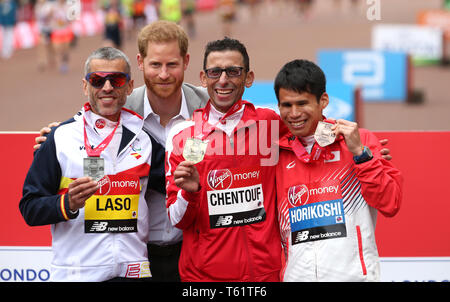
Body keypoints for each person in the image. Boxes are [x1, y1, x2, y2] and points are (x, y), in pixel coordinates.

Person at [33, 21, 209, 282]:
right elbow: (85, 125)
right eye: (155, 64)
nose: (163, 74)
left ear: (185, 61)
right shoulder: (117, 103)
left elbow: (248, 129)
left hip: (192, 248)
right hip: (140, 257)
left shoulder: (208, 108)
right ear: (140, 62)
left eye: (171, 64)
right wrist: (53, 137)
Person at [19, 47, 162, 281]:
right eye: (97, 80)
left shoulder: (144, 138)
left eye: (116, 80)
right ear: (85, 86)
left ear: (129, 86)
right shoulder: (59, 137)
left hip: (133, 271)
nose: (107, 87)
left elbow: (177, 184)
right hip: (77, 274)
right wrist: (67, 203)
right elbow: (30, 208)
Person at [165, 37, 284, 281]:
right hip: (203, 278)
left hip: (263, 274)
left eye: (233, 71)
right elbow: (176, 220)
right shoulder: (182, 135)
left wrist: (365, 147)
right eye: (215, 71)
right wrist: (190, 192)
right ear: (203, 77)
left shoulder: (270, 123)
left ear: (248, 78)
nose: (223, 80)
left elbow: (311, 136)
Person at [273, 59, 403, 281]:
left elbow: (390, 202)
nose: (293, 113)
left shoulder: (358, 142)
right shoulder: (276, 153)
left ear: (323, 100)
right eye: (286, 105)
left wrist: (361, 154)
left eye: (302, 103)